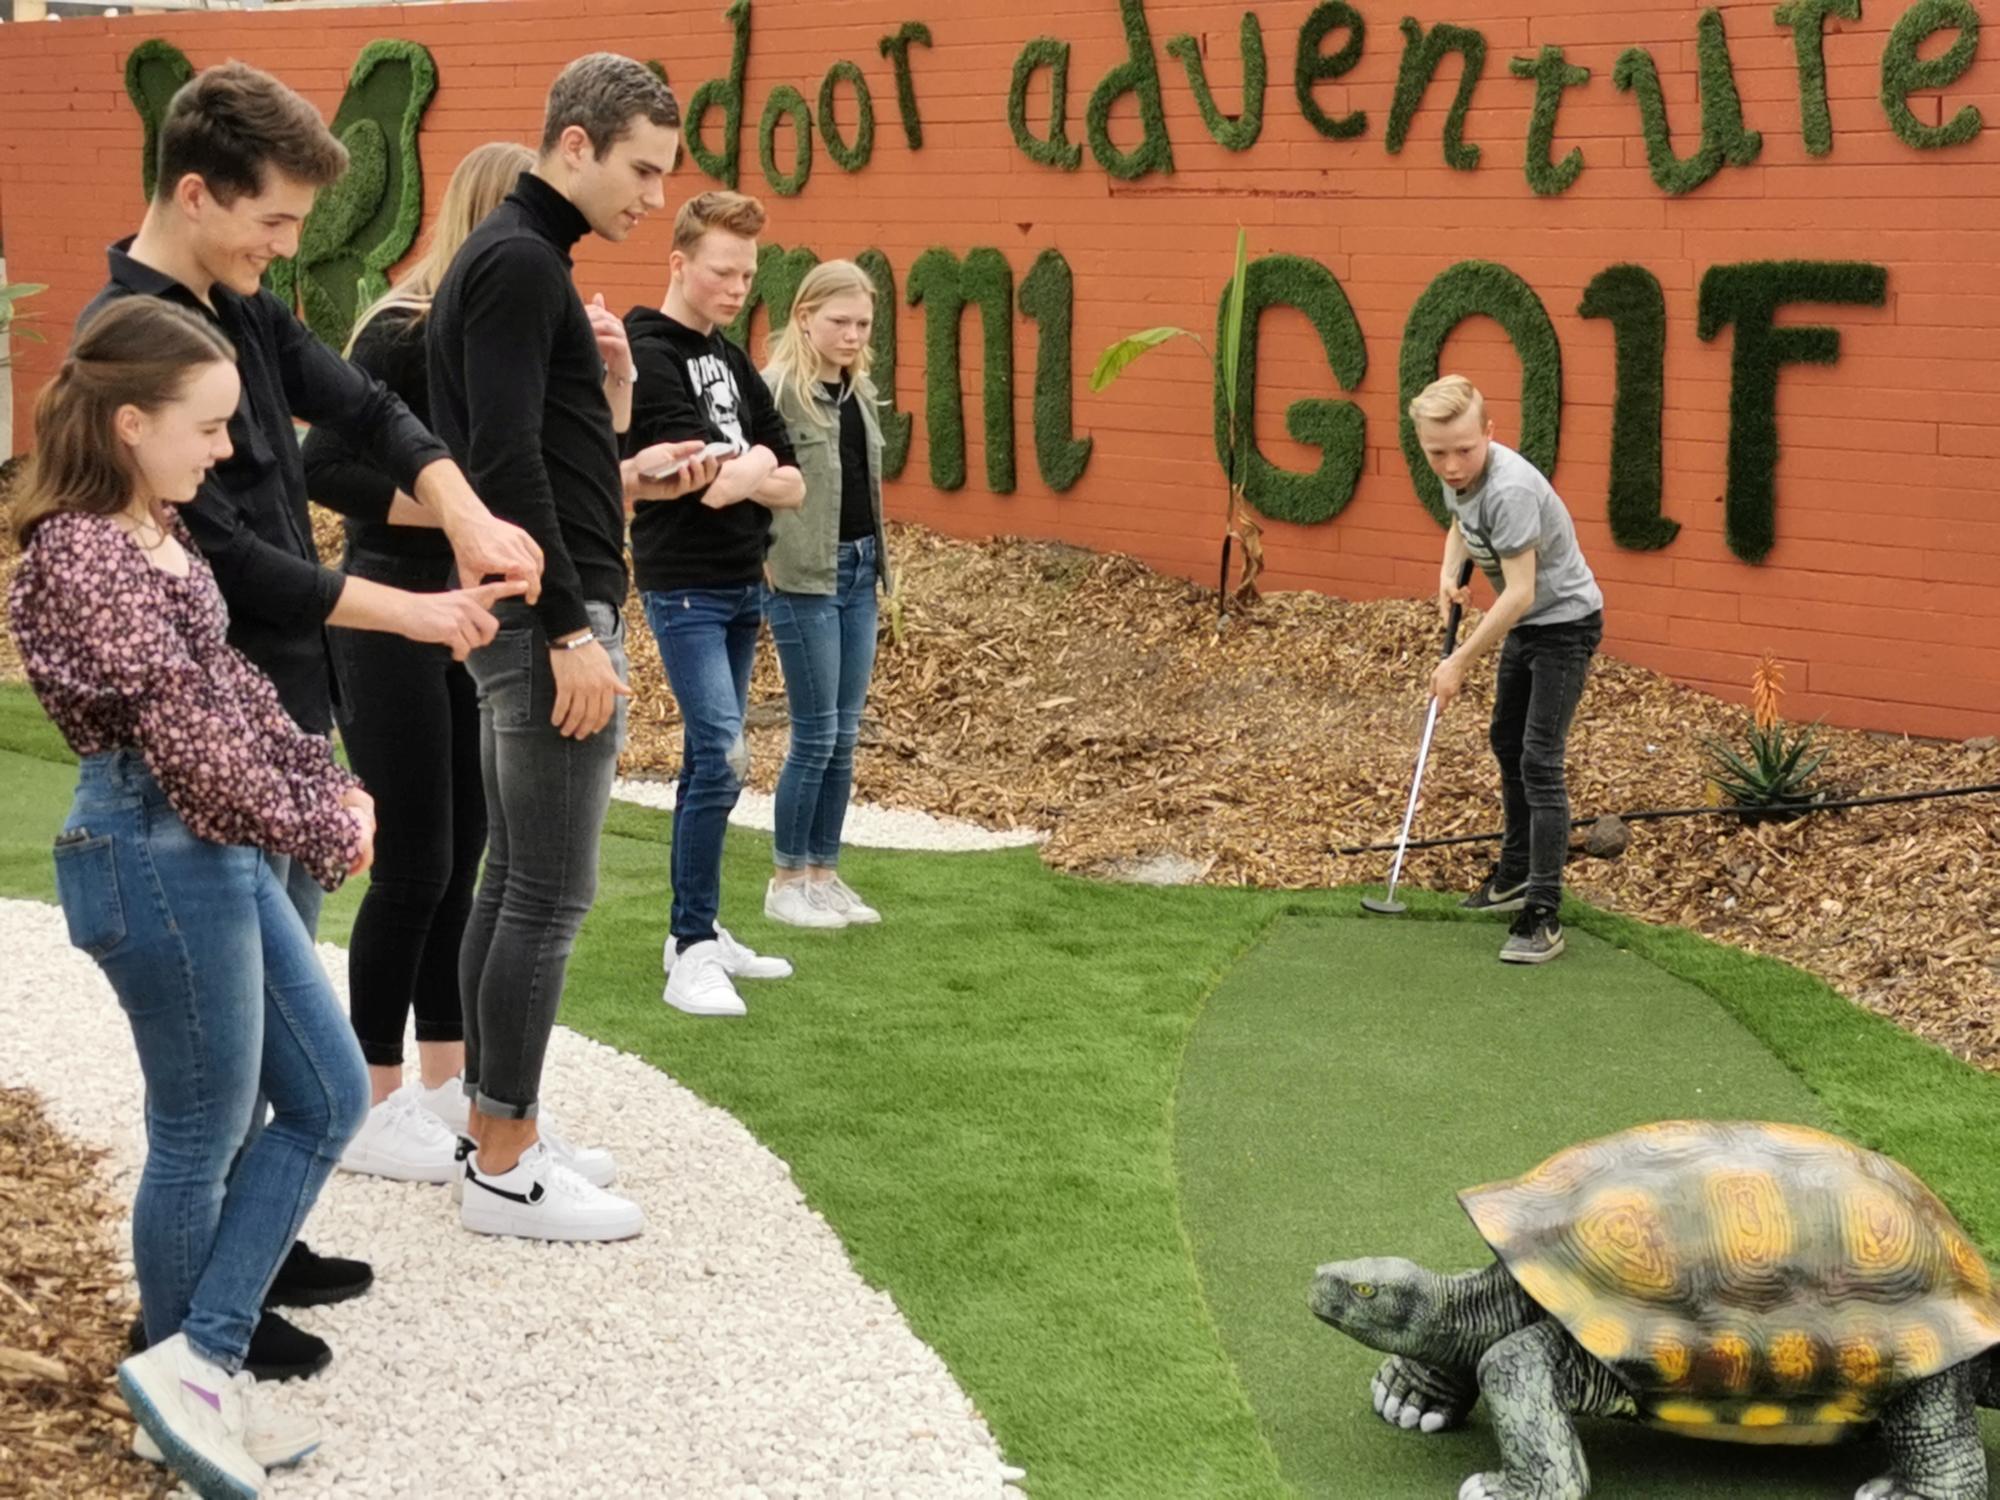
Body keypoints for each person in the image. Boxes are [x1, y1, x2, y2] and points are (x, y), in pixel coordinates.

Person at [82, 60, 543, 1379]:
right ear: (193, 190)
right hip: (206, 752)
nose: (288, 248)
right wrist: (417, 616)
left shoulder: (234, 299)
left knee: (285, 1036)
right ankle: (184, 1330)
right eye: (274, 221)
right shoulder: (133, 339)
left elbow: (362, 405)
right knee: (224, 1073)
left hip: (286, 724)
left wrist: (458, 505)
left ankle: (254, 1258)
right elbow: (224, 554)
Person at [9, 296, 382, 1499]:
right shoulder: (81, 553)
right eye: (208, 426)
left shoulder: (155, 526)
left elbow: (234, 694)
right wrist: (328, 823)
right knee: (201, 1132)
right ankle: (188, 1384)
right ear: (130, 424)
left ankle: (191, 1377)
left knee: (324, 1092)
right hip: (152, 846)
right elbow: (188, 746)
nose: (226, 449)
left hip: (204, 846)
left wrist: (324, 780)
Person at [429, 53, 718, 1240]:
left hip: (549, 604)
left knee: (515, 885)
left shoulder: (523, 264)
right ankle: (503, 1164)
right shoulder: (514, 264)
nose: (654, 196)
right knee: (548, 893)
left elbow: (550, 448)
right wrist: (563, 629)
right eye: (642, 169)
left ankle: (502, 1128)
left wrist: (611, 421)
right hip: (546, 617)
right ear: (575, 142)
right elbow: (499, 463)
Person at [303, 142, 536, 1186]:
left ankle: (442, 1084)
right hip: (388, 611)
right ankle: (369, 1095)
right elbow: (325, 466)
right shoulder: (402, 333)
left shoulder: (498, 342)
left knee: (466, 855)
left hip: (467, 625)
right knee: (414, 862)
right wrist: (450, 510)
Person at [625, 190, 804, 1019]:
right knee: (721, 753)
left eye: (748, 274)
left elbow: (791, 478)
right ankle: (689, 948)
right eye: (723, 271)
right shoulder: (647, 348)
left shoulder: (730, 357)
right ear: (679, 263)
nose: (738, 287)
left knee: (714, 765)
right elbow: (693, 483)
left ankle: (694, 931)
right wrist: (745, 469)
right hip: (685, 584)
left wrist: (746, 469)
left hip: (742, 582)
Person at [1412, 375, 1604, 964]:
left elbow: (1519, 593)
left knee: (1540, 759)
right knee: (1506, 741)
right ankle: (1516, 871)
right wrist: (1449, 573)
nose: (1449, 465)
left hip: (1564, 625)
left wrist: (1458, 662)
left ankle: (1543, 911)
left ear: (1490, 434)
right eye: (1436, 452)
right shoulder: (1460, 475)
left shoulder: (1511, 490)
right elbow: (1461, 528)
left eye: (1463, 450)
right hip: (1528, 625)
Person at [758, 260, 893, 928]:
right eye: (838, 321)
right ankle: (786, 880)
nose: (851, 334)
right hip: (803, 577)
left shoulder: (857, 390)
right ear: (804, 316)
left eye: (862, 323)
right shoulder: (778, 390)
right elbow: (747, 477)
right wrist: (763, 559)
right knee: (813, 736)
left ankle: (823, 873)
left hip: (860, 573)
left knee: (844, 736)